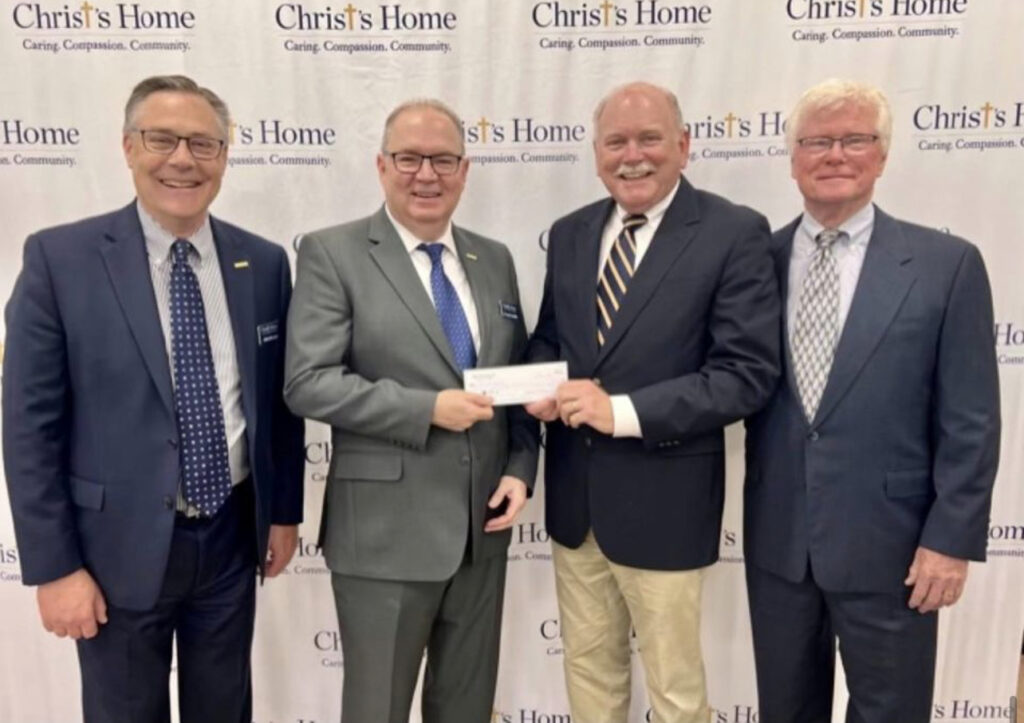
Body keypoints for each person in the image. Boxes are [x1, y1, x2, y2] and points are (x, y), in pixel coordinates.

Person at [1, 75, 305, 723]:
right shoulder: (62, 258)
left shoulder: (265, 262)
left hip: (229, 540)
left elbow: (278, 404)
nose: (182, 159)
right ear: (128, 146)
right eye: (162, 139)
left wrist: (282, 512)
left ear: (224, 156)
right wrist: (55, 568)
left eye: (203, 143)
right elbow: (29, 426)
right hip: (114, 553)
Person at [743, 79, 1000, 723]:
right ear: (793, 156)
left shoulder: (947, 265)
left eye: (855, 139)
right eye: (817, 141)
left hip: (896, 550)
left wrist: (950, 539)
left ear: (882, 155)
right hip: (780, 544)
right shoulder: (752, 265)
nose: (835, 154)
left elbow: (971, 419)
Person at [524, 81, 780, 723]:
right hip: (575, 503)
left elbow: (744, 374)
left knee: (675, 690)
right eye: (616, 141)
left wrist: (624, 411)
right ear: (596, 152)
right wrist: (536, 389)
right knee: (588, 672)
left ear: (684, 146)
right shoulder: (572, 232)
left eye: (648, 139)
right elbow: (551, 339)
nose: (631, 155)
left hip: (665, 504)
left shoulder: (733, 232)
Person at [283, 98, 537, 723]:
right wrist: (425, 408)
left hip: (483, 535)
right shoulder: (333, 252)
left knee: (467, 709)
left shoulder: (494, 258)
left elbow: (515, 381)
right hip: (384, 538)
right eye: (409, 158)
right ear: (381, 165)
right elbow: (307, 383)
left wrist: (522, 467)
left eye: (444, 159)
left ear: (465, 169)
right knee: (378, 711)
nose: (427, 174)